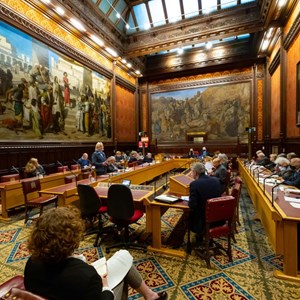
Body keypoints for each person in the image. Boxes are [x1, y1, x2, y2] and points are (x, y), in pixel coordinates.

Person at [24, 206, 167, 300]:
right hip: (90, 290)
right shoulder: (86, 276)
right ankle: (150, 295)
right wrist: (104, 286)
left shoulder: (31, 263)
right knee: (123, 272)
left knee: (123, 257)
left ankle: (150, 296)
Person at [188, 162, 221, 243]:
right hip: (218, 217)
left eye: (192, 172)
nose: (191, 174)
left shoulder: (194, 184)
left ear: (195, 172)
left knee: (187, 216)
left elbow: (192, 205)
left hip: (202, 220)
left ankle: (199, 236)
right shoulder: (216, 180)